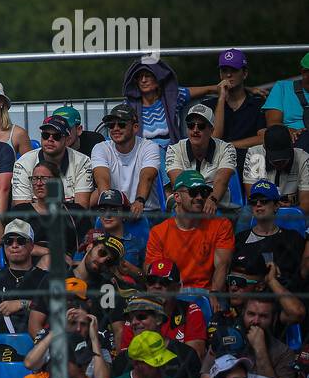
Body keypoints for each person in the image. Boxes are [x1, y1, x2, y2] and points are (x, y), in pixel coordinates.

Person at [145, 170, 234, 298]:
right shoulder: (158, 232)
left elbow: (222, 265)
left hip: (207, 295)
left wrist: (214, 294)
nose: (199, 197)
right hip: (172, 295)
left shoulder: (221, 225)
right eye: (193, 192)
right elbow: (154, 275)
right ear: (177, 197)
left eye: (203, 193)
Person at [204, 298, 297, 378]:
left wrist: (260, 350)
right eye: (251, 314)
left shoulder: (284, 352)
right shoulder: (225, 339)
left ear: (273, 319)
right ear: (243, 314)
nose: (256, 321)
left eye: (263, 316)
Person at [109, 300, 202, 378]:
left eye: (141, 317)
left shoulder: (185, 355)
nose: (134, 322)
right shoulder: (122, 360)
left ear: (158, 319)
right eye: (130, 318)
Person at [91, 102, 161, 218]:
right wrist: (110, 205)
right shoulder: (101, 148)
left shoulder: (149, 146)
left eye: (122, 124)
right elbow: (101, 178)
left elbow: (147, 177)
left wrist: (139, 201)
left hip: (146, 212)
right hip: (114, 211)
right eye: (111, 125)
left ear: (135, 128)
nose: (115, 128)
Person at [9, 157, 79, 269]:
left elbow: (85, 243)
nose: (38, 183)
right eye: (35, 178)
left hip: (68, 266)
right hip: (30, 268)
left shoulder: (73, 212)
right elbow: (15, 245)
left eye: (44, 179)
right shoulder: (20, 211)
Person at [164, 104, 238, 210]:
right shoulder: (174, 150)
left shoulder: (227, 148)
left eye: (201, 126)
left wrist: (212, 199)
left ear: (211, 130)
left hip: (215, 202)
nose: (195, 129)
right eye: (191, 125)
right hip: (186, 202)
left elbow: (222, 180)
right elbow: (180, 183)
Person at [12, 114, 93, 210]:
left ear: (67, 140)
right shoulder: (23, 163)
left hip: (68, 221)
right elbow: (23, 210)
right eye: (45, 135)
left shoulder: (82, 162)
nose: (50, 139)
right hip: (33, 222)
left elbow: (80, 208)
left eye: (57, 136)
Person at [200, 49, 267, 166]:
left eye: (234, 70)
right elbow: (214, 139)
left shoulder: (258, 104)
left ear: (245, 73)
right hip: (218, 163)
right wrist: (221, 98)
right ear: (220, 74)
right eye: (224, 71)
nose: (229, 75)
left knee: (258, 156)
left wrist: (228, 146)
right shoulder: (209, 105)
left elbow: (263, 139)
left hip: (251, 161)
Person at [234, 178, 307, 282]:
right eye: (254, 201)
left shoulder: (293, 238)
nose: (258, 204)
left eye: (264, 200)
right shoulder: (240, 239)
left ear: (276, 206)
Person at [242, 125, 309, 212]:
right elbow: (252, 197)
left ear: (292, 146)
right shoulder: (255, 155)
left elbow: (306, 205)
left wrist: (291, 209)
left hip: (293, 211)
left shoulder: (303, 158)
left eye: (283, 160)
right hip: (263, 209)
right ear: (265, 148)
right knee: (246, 213)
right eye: (275, 160)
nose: (280, 164)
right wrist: (272, 207)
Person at [89, 189, 148, 274]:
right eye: (102, 210)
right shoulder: (92, 238)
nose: (107, 214)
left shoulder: (137, 244)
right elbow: (77, 265)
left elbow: (148, 278)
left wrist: (134, 271)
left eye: (114, 210)